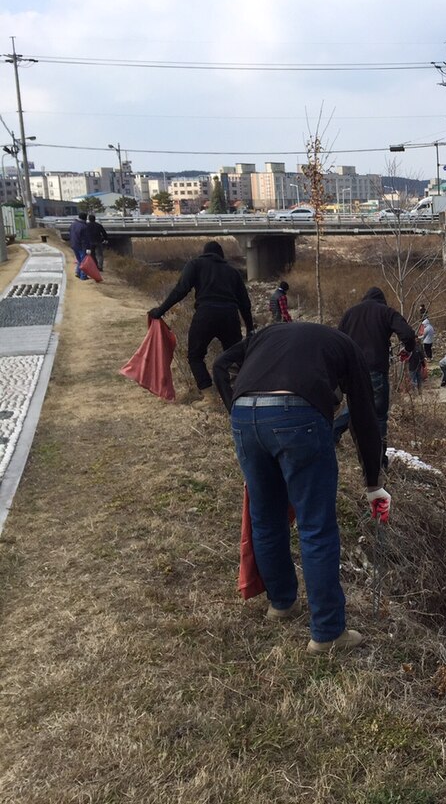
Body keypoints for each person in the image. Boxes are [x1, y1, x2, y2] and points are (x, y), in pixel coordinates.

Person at [211, 322, 390, 655]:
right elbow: (365, 418)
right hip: (297, 416)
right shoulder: (346, 346)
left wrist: (238, 414)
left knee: (265, 518)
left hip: (245, 415)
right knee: (316, 527)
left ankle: (280, 604)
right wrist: (373, 484)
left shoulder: (267, 334)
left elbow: (220, 365)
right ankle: (327, 633)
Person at [148, 240, 254, 397]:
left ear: (204, 253)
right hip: (230, 316)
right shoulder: (232, 272)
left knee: (195, 356)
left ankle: (209, 395)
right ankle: (241, 393)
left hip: (206, 315)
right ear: (221, 255)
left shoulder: (196, 264)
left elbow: (181, 290)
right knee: (236, 357)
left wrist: (160, 311)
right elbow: (245, 304)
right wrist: (250, 329)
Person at [336, 286, 416, 446]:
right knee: (379, 416)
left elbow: (338, 341)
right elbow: (407, 334)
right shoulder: (386, 312)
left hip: (352, 371)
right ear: (382, 300)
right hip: (375, 370)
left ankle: (331, 433)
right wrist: (407, 349)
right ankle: (379, 459)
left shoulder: (350, 313)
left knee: (355, 408)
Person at [68, 212, 89, 279]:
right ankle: (83, 276)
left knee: (79, 259)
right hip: (81, 246)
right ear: (85, 218)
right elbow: (86, 239)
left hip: (74, 244)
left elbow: (69, 231)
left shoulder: (73, 224)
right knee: (83, 261)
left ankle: (78, 272)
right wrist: (88, 248)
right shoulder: (84, 227)